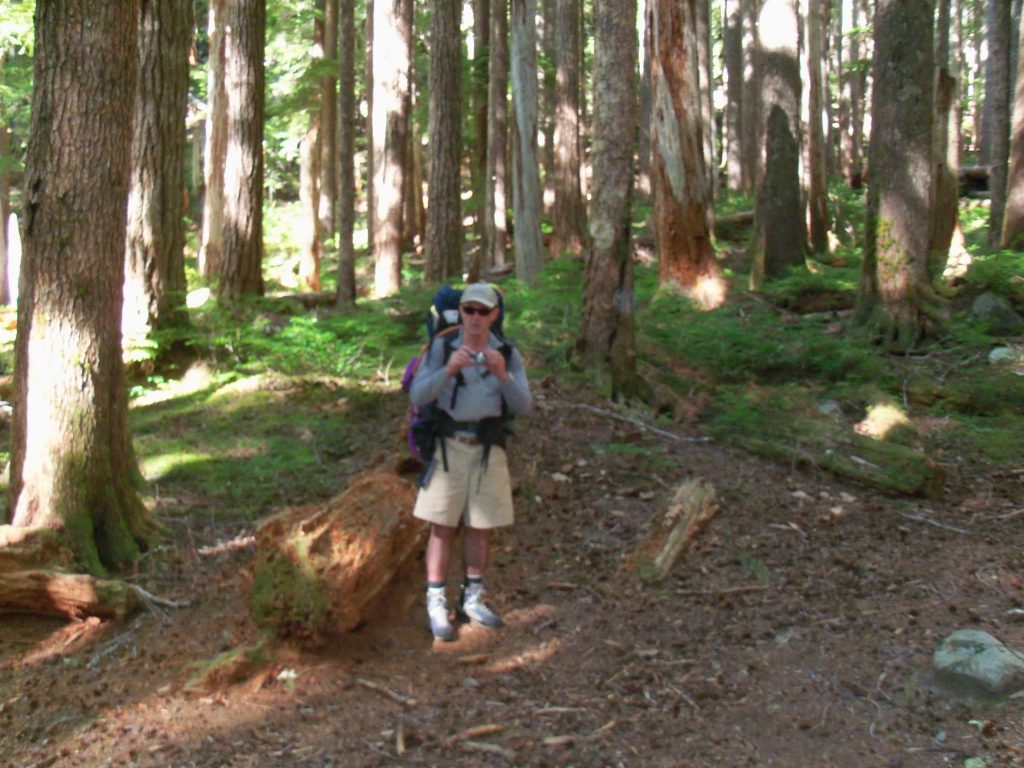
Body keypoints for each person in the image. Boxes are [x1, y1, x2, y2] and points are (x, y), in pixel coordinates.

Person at [408, 282, 532, 641]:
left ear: (494, 315)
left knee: (482, 525)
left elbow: (524, 405)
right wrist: (447, 370)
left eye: (483, 311)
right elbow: (418, 394)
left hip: (488, 448)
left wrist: (503, 375)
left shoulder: (507, 353)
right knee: (442, 525)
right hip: (449, 446)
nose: (475, 318)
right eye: (469, 310)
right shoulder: (442, 347)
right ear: (461, 312)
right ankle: (436, 601)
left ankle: (472, 597)